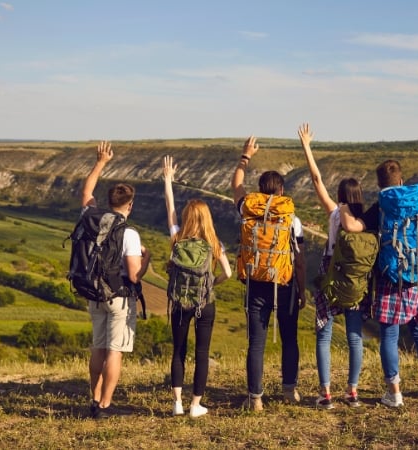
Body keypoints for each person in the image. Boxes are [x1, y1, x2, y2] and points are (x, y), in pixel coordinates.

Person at [342, 117, 418, 407]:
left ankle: (394, 393)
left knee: (389, 335)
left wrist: (343, 207)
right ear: (402, 180)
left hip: (391, 277)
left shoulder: (382, 205)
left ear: (380, 185)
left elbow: (354, 228)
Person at [231, 135, 306, 411]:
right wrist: (302, 290)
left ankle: (255, 399)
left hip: (256, 283)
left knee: (256, 343)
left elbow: (236, 185)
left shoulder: (248, 212)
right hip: (284, 283)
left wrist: (245, 156)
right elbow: (299, 259)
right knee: (289, 338)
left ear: (261, 192)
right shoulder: (292, 219)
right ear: (283, 190)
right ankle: (289, 391)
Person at [298, 123, 367, 410]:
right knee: (354, 336)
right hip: (355, 279)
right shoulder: (366, 220)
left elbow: (316, 181)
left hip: (329, 275)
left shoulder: (336, 214)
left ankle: (325, 393)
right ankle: (352, 392)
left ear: (341, 197)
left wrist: (307, 146)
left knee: (324, 334)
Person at [82, 140, 151, 419]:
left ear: (109, 202)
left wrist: (101, 162)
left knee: (98, 346)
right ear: (130, 205)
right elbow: (134, 274)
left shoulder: (91, 218)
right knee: (115, 350)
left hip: (93, 291)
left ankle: (94, 398)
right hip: (119, 297)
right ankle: (106, 406)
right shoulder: (130, 234)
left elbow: (87, 191)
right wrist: (148, 259)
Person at [163, 155, 232, 418]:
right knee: (201, 352)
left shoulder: (177, 239)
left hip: (180, 302)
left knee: (178, 350)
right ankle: (195, 405)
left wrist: (168, 180)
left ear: (187, 217)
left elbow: (169, 209)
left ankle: (177, 403)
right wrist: (211, 283)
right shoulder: (214, 243)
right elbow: (228, 272)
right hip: (205, 303)